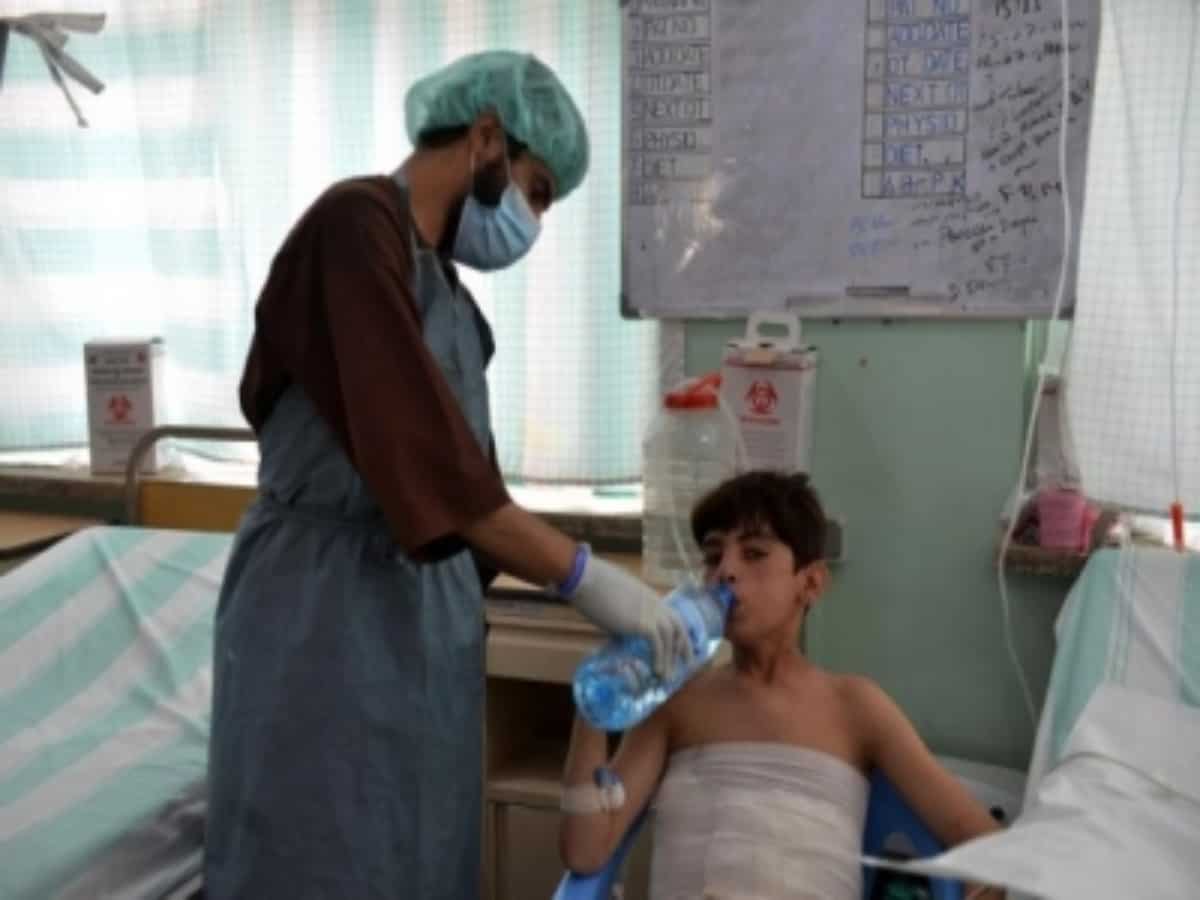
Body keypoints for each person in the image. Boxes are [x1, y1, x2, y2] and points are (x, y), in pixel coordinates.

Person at [204, 51, 691, 900]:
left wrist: (590, 592)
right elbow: (431, 465)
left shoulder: (452, 301)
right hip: (324, 610)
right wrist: (585, 577)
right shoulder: (353, 228)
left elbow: (473, 494)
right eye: (537, 192)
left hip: (427, 625)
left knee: (423, 850)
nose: (532, 222)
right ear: (487, 138)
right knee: (323, 850)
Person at [559, 471, 1004, 900]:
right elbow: (585, 850)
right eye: (713, 556)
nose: (726, 571)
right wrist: (599, 687)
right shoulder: (676, 702)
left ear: (810, 583)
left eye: (754, 553)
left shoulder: (855, 708)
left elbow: (981, 839)